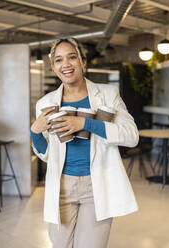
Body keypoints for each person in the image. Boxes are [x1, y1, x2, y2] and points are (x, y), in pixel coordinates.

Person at [30, 38, 139, 248]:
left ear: (83, 62)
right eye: (59, 60)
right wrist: (35, 133)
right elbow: (46, 154)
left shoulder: (107, 94)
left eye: (72, 57)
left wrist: (85, 123)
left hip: (96, 183)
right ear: (54, 67)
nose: (66, 64)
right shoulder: (45, 104)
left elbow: (131, 136)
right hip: (61, 186)